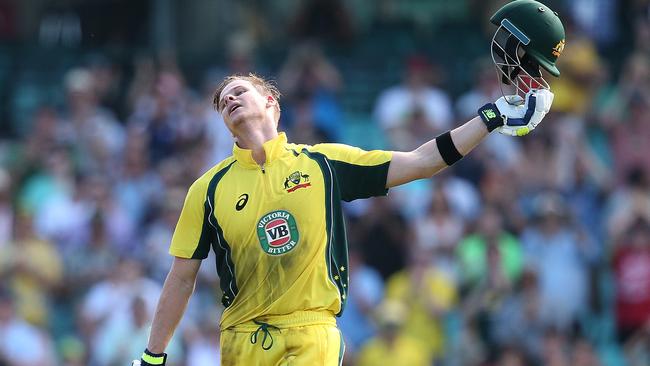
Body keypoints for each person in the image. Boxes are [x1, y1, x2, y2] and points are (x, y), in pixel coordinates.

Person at [133, 1, 564, 364]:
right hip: (242, 341)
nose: (228, 97)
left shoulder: (324, 163)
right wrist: (153, 357)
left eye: (239, 90)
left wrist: (492, 116)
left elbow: (422, 161)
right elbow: (181, 278)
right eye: (222, 99)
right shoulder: (207, 190)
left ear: (270, 101)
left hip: (313, 333)